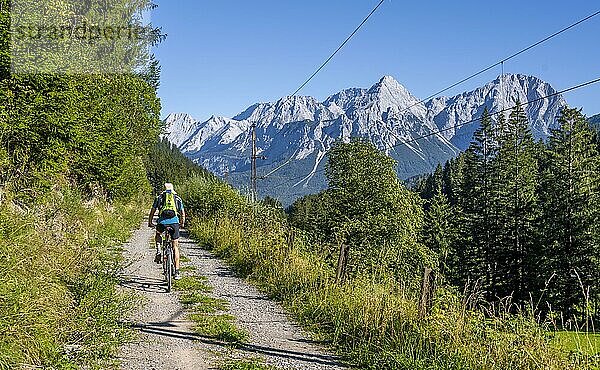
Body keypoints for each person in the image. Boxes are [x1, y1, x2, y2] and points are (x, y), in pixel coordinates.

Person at [148, 183, 186, 280]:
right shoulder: (177, 198)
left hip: (162, 223)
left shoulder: (159, 197)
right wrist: (181, 223)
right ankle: (177, 272)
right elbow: (182, 213)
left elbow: (152, 211)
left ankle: (158, 251)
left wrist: (150, 222)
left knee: (158, 234)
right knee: (175, 246)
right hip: (174, 223)